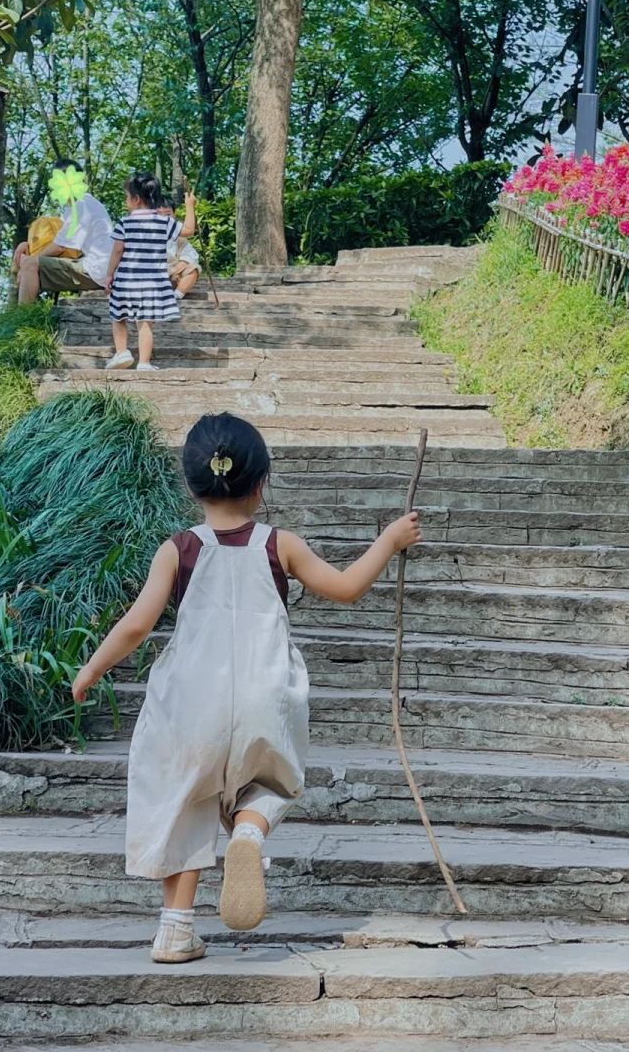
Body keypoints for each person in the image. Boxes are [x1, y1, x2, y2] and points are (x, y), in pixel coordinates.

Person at [71, 413, 421, 963]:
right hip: (264, 694)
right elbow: (348, 588)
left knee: (184, 796)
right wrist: (390, 538)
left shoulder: (178, 549)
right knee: (269, 783)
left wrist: (91, 669)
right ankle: (248, 836)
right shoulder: (278, 545)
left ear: (191, 484)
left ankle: (175, 929)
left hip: (191, 703)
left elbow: (138, 624)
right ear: (260, 487)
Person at [103, 174, 197, 371]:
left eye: (127, 197)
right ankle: (144, 363)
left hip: (126, 280)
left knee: (119, 317)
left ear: (136, 199)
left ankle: (121, 353)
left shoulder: (124, 222)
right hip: (153, 282)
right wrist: (189, 206)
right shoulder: (163, 222)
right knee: (146, 323)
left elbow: (117, 251)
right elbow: (189, 230)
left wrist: (110, 274)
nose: (125, 201)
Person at [13, 158, 115, 303]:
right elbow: (53, 239)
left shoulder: (82, 205)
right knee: (30, 264)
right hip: (93, 267)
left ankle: (21, 319)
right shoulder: (73, 209)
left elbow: (59, 247)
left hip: (96, 270)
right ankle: (27, 317)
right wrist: (27, 244)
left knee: (30, 264)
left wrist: (27, 263)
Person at [160, 198, 202, 299]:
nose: (164, 218)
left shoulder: (180, 240)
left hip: (173, 277)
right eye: (159, 214)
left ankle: (177, 295)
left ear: (174, 216)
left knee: (193, 269)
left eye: (168, 214)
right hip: (153, 278)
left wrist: (172, 270)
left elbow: (190, 258)